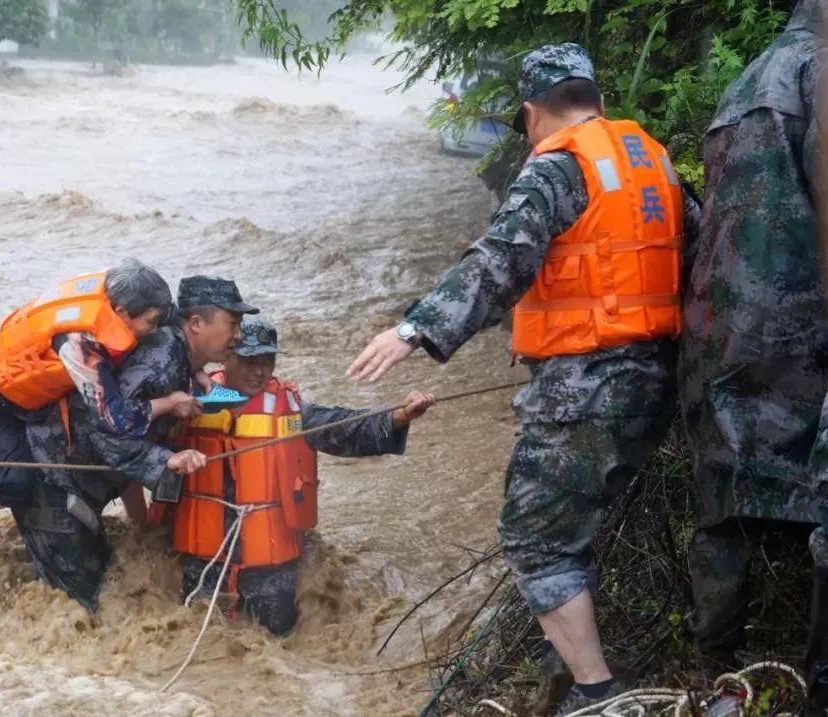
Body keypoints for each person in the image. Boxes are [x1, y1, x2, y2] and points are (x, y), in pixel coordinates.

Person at [347, 43, 700, 713]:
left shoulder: (558, 169)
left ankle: (597, 693)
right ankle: (562, 661)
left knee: (533, 537)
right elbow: (667, 256)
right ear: (594, 98)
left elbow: (499, 260)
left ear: (533, 113)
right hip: (656, 382)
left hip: (586, 391)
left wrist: (411, 330)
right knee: (566, 524)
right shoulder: (651, 163)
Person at [680, 0, 827, 675]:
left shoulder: (744, 83)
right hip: (804, 329)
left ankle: (718, 666)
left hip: (723, 329)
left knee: (725, 497)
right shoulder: (818, 71)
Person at [153, 316, 435, 635]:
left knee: (278, 649)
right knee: (199, 644)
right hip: (202, 565)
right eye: (249, 360)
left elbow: (343, 428)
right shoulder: (187, 401)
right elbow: (132, 439)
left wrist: (399, 416)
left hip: (271, 571)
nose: (259, 370)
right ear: (225, 356)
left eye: (267, 360)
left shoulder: (291, 411)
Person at [13, 275, 258, 612]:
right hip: (54, 480)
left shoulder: (176, 352)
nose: (239, 334)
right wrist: (164, 460)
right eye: (233, 323)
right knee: (77, 607)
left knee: (100, 579)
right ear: (197, 324)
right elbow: (108, 429)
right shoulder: (162, 361)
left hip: (80, 483)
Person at [0, 260, 203, 549]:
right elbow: (117, 420)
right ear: (121, 312)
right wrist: (169, 402)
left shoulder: (125, 294)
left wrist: (197, 368)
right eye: (150, 322)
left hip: (47, 393)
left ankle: (140, 529)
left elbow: (169, 317)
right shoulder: (80, 344)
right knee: (19, 478)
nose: (155, 329)